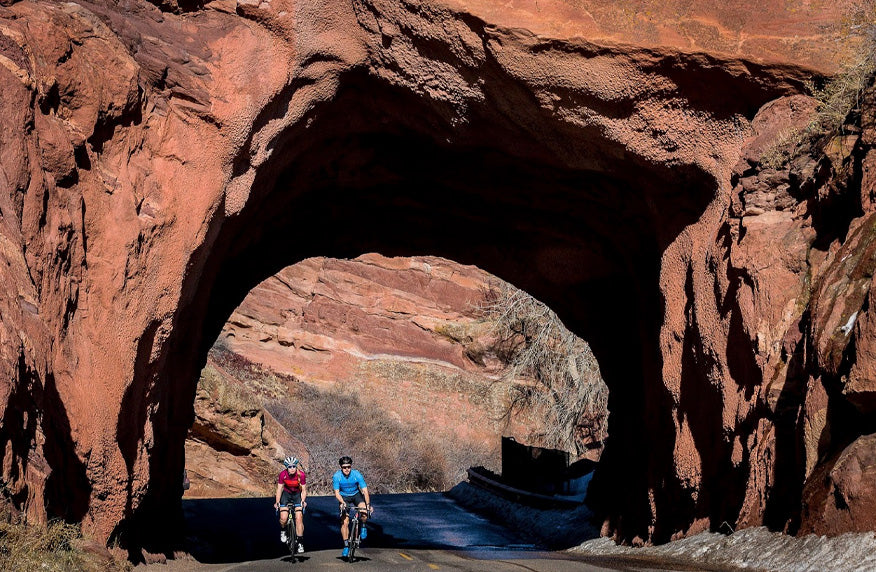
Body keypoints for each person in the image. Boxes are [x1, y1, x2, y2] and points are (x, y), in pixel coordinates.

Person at [332, 455, 371, 558]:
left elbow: (365, 491)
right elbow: (337, 493)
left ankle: (363, 526)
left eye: (349, 467)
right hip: (344, 497)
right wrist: (342, 503)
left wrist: (367, 505)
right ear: (341, 467)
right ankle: (346, 545)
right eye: (344, 467)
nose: (347, 469)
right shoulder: (337, 476)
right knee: (344, 521)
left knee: (364, 511)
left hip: (356, 495)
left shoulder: (357, 474)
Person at [274, 456, 307, 553]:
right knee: (283, 518)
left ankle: (300, 542)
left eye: (294, 466)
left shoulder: (301, 475)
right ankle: (283, 530)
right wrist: (277, 502)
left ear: (296, 466)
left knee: (299, 518)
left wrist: (303, 500)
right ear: (286, 467)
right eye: (290, 467)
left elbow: (304, 490)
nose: (292, 468)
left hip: (297, 494)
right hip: (286, 494)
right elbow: (279, 489)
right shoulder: (282, 475)